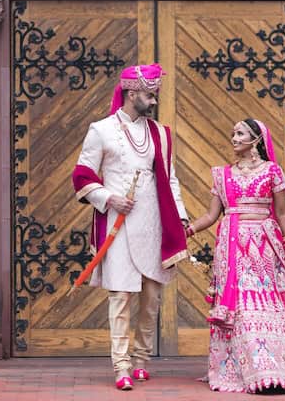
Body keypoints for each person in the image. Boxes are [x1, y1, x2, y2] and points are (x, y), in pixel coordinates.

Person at [185, 119, 285, 393]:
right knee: (243, 308)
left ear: (256, 140)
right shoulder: (223, 175)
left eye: (240, 134)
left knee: (267, 304)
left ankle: (280, 370)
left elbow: (283, 213)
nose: (234, 138)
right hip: (232, 249)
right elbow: (211, 215)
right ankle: (254, 373)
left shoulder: (272, 171)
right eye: (233, 134)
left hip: (264, 246)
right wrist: (187, 231)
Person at [71, 64, 190, 391]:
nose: (153, 102)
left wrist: (180, 215)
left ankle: (140, 360)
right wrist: (109, 198)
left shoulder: (161, 134)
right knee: (121, 295)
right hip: (117, 224)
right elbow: (82, 175)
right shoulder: (101, 130)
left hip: (153, 223)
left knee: (151, 298)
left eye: (154, 96)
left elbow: (171, 179)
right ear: (131, 92)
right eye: (149, 95)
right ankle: (121, 365)